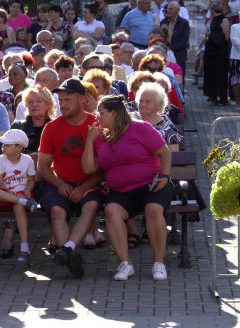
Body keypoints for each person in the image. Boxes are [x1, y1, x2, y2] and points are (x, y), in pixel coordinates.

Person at [82, 94, 172, 281]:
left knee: (153, 209)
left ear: (114, 113)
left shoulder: (140, 128)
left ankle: (159, 263)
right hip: (122, 191)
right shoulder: (101, 137)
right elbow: (89, 168)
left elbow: (165, 152)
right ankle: (125, 263)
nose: (97, 116)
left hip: (151, 185)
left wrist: (165, 176)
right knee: (111, 211)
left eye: (101, 112)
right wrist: (90, 141)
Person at [37, 77, 105, 278]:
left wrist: (84, 187)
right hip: (60, 184)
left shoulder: (96, 124)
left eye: (68, 100)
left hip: (90, 184)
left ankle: (65, 251)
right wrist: (59, 183)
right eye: (61, 100)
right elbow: (43, 166)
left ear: (82, 99)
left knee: (91, 206)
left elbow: (104, 167)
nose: (62, 104)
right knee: (57, 211)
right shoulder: (51, 128)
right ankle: (71, 256)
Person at [0, 128, 37, 264]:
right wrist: (9, 193)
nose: (3, 147)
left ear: (19, 147)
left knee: (19, 207)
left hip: (21, 195)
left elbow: (32, 180)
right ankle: (25, 202)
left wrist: (28, 189)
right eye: (3, 144)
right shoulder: (0, 160)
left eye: (7, 145)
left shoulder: (28, 161)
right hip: (4, 195)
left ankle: (24, 248)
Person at [135, 81, 183, 150]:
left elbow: (173, 157)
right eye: (141, 101)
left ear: (159, 104)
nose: (143, 105)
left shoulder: (168, 129)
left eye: (148, 101)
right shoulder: (132, 121)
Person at [203, 0, 231, 105]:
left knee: (221, 74)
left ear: (214, 9)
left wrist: (211, 35)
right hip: (210, 50)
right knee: (211, 73)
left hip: (220, 52)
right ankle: (212, 95)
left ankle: (223, 97)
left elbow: (226, 37)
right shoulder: (212, 20)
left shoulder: (224, 20)